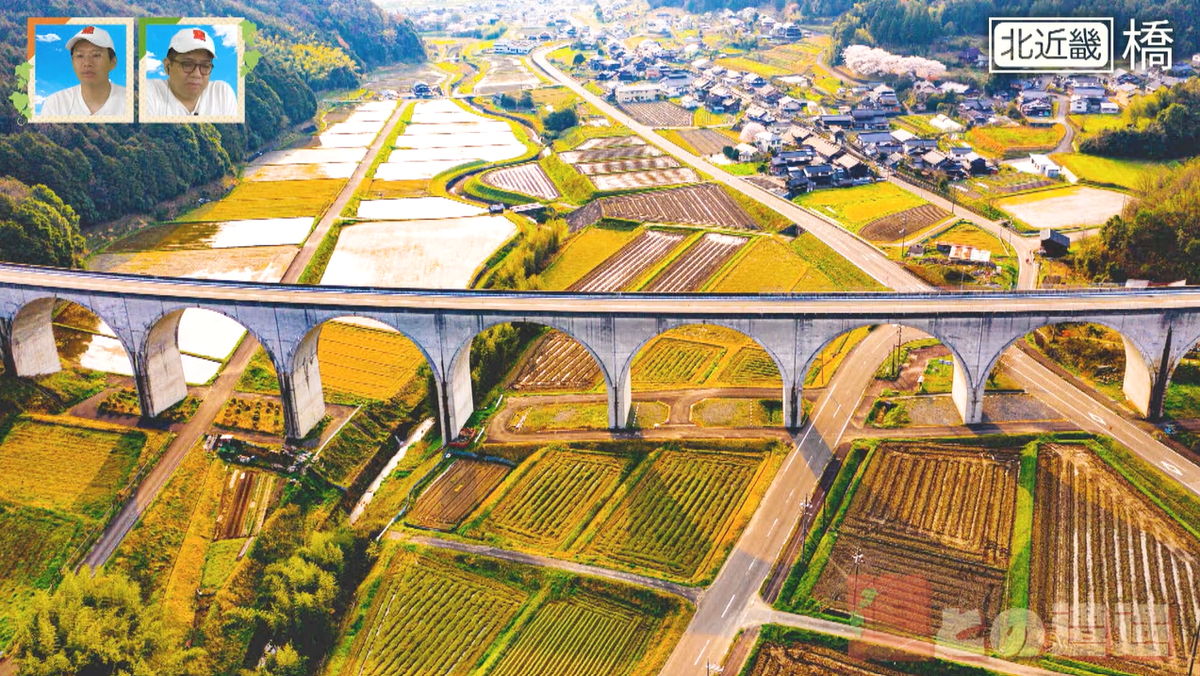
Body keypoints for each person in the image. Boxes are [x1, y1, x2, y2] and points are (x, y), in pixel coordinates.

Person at [142, 27, 237, 118]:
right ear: (167, 66)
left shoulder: (221, 93)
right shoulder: (149, 91)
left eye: (205, 66)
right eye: (187, 64)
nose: (197, 74)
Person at [39, 25, 127, 118]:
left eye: (96, 55)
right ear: (72, 62)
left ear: (113, 62)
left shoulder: (129, 100)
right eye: (80, 56)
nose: (87, 63)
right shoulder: (55, 104)